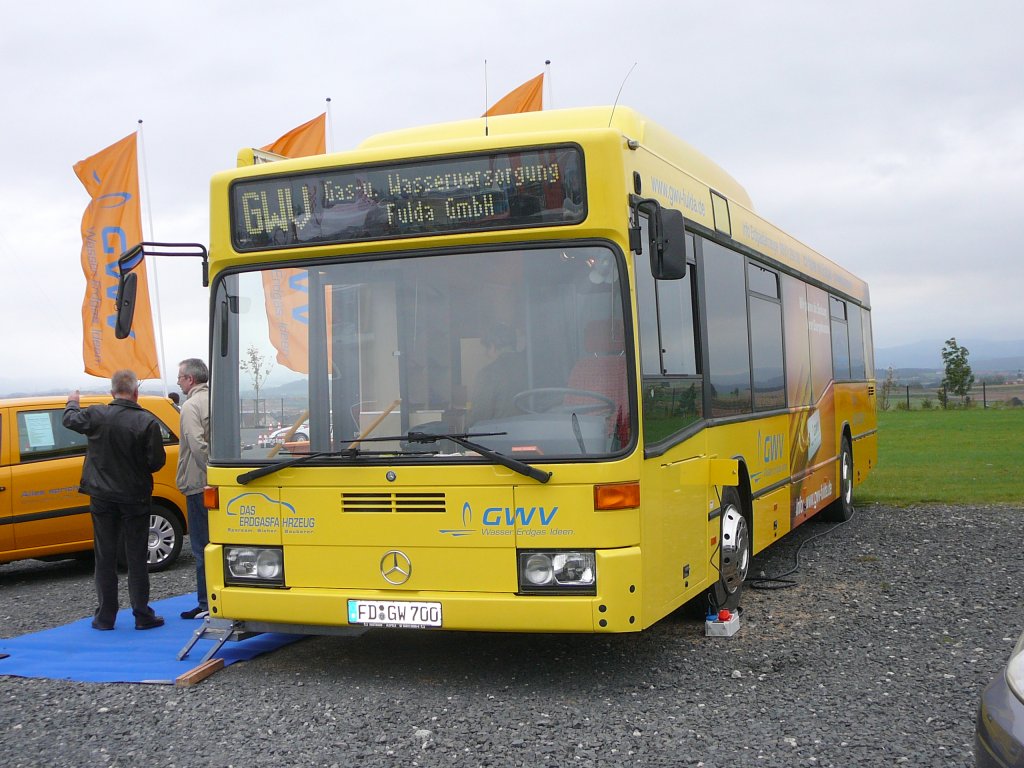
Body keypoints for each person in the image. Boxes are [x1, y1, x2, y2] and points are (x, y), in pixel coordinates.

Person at [62, 370, 166, 631]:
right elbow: (156, 462)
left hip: (102, 495)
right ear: (136, 393)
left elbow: (69, 420)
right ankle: (142, 614)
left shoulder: (97, 414)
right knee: (136, 556)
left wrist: (72, 402)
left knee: (105, 556)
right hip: (135, 496)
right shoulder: (147, 422)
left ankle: (105, 617)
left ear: (112, 392)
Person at [176, 358, 211, 620]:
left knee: (201, 546)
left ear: (190, 379)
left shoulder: (190, 406)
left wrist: (211, 470)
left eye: (180, 377)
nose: (178, 382)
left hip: (200, 483)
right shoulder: (217, 400)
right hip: (219, 481)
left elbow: (195, 443)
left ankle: (205, 601)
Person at [467, 323, 527, 426]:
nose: (486, 354)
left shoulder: (488, 374)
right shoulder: (532, 369)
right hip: (535, 431)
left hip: (501, 434)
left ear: (492, 346)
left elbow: (480, 417)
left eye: (486, 349)